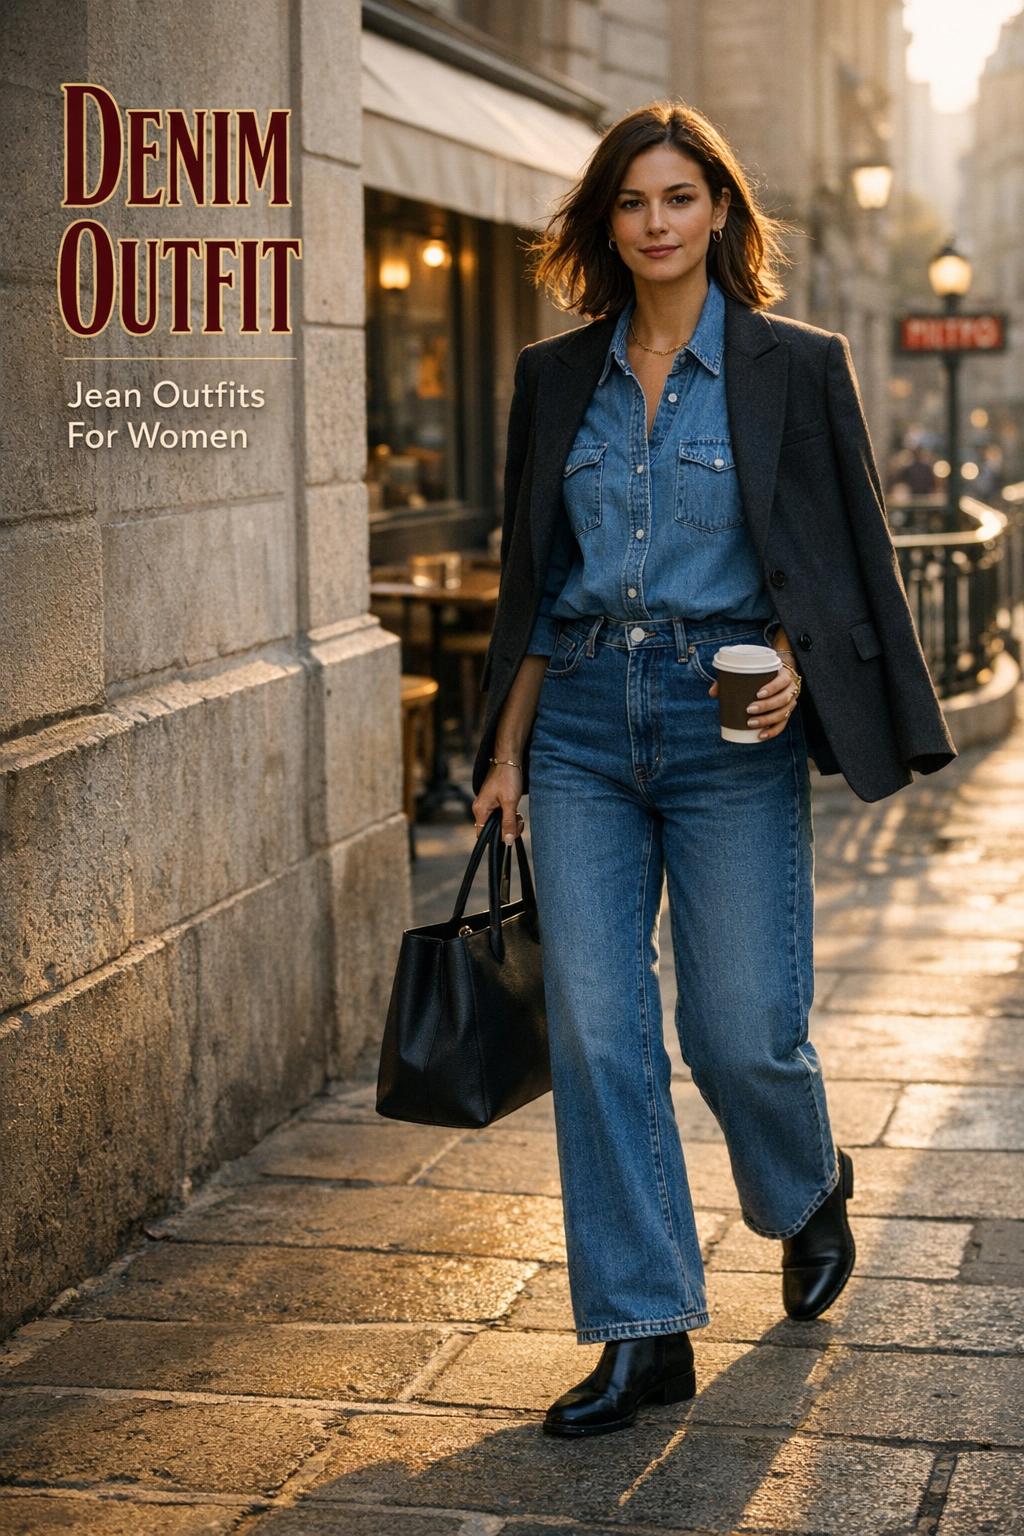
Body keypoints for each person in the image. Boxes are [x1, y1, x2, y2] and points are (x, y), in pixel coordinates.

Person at [470, 100, 957, 1439]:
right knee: (596, 1027)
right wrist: (504, 751)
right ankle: (645, 1330)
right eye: (633, 202)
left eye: (682, 197)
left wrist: (806, 659)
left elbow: (851, 546)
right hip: (575, 717)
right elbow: (532, 581)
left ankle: (805, 1186)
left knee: (738, 1026)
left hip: (727, 710)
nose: (658, 222)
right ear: (605, 224)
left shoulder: (796, 367)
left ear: (722, 215)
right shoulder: (553, 380)